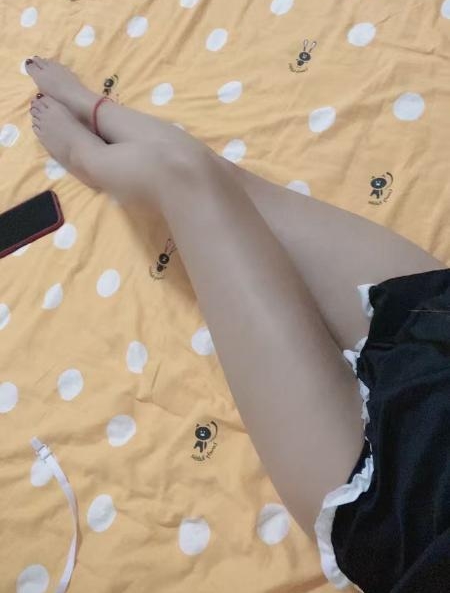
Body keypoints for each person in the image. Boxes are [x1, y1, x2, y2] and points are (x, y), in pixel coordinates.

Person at [26, 56, 450, 592]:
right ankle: (95, 109)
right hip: (438, 344)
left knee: (183, 175)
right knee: (223, 183)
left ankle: (86, 156)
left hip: (398, 496)